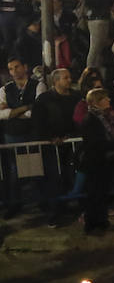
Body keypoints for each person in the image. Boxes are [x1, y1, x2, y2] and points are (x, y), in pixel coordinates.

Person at [31, 68, 80, 227]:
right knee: (54, 179)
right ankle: (54, 212)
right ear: (56, 81)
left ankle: (67, 206)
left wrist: (71, 135)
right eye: (65, 78)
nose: (69, 80)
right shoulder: (44, 100)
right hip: (51, 146)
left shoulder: (75, 97)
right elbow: (38, 122)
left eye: (69, 77)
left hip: (71, 143)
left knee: (69, 176)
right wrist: (50, 138)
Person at [0, 57, 46, 219]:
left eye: (16, 67)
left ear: (25, 67)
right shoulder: (5, 89)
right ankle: (15, 204)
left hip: (31, 133)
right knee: (15, 171)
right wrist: (26, 107)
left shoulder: (38, 85)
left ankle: (42, 201)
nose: (14, 71)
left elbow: (37, 111)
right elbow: (2, 114)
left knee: (36, 167)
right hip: (12, 135)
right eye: (10, 69)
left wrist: (13, 112)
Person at [80, 88, 114, 234]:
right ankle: (92, 224)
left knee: (102, 193)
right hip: (96, 162)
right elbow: (96, 143)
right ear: (96, 102)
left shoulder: (106, 117)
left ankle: (101, 222)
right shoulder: (90, 120)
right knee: (95, 194)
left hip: (105, 161)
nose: (108, 100)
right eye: (104, 98)